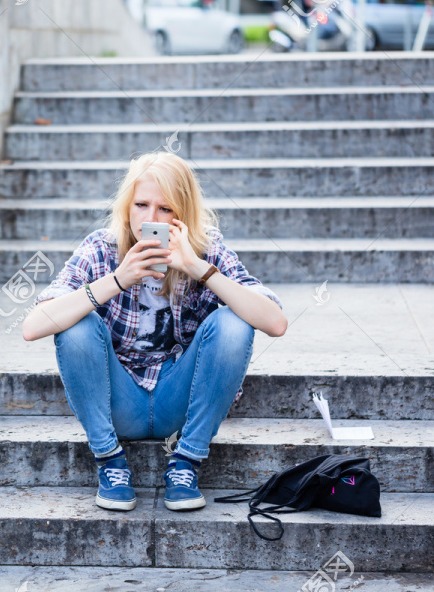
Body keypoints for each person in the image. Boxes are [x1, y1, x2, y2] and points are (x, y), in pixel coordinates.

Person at [21, 152, 287, 512]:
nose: (150, 219)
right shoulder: (102, 247)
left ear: (184, 213)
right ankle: (110, 461)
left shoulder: (206, 248)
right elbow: (33, 326)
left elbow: (275, 322)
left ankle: (186, 463)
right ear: (126, 207)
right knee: (75, 322)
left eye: (166, 209)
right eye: (141, 205)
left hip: (179, 401)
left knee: (235, 320)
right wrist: (117, 280)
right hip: (120, 402)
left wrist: (199, 268)